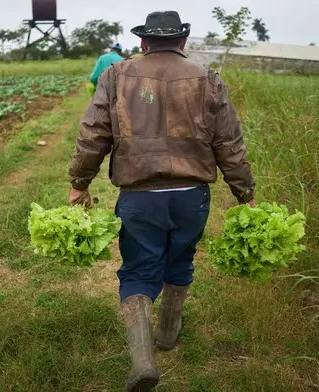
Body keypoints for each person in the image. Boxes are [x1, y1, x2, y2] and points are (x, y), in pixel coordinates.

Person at [68, 10, 256, 391]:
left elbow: (93, 135)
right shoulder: (208, 79)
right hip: (192, 198)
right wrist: (245, 194)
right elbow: (229, 144)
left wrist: (79, 183)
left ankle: (143, 363)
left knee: (138, 270)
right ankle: (168, 334)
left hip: (140, 197)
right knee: (181, 258)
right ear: (183, 41)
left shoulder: (115, 75)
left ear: (143, 42)